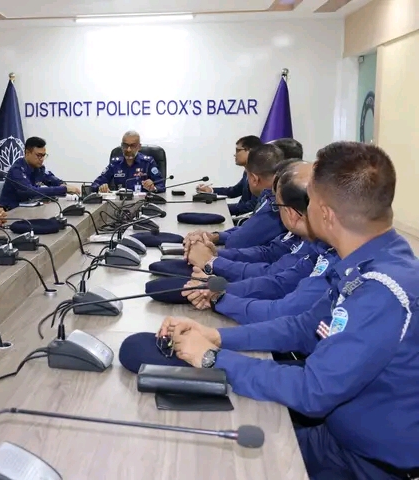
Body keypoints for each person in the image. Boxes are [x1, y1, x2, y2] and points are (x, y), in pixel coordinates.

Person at [121, 142, 419, 480]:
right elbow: (302, 327)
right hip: (335, 438)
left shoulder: (381, 291)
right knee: (208, 450)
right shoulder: (366, 262)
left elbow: (312, 390)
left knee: (212, 465)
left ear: (325, 214)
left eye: (310, 200)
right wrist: (216, 336)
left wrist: (212, 358)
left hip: (364, 466)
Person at [186, 161, 312, 282]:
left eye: (276, 204)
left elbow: (274, 279)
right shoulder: (299, 236)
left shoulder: (315, 247)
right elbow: (268, 253)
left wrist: (212, 262)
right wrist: (214, 254)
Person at [185, 144, 287, 249]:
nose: (235, 154)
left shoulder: (275, 205)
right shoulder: (268, 197)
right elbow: (246, 229)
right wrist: (215, 236)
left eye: (238, 150)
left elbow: (237, 242)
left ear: (254, 179)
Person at [0, 136, 80, 210]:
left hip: (29, 209)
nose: (42, 159)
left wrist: (63, 185)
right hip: (11, 211)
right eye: (39, 155)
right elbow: (31, 192)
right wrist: (64, 189)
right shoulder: (16, 170)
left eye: (43, 155)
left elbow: (52, 180)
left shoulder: (39, 168)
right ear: (27, 153)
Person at [196, 135, 262, 215]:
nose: (235, 155)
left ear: (250, 151)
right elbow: (234, 191)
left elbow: (251, 206)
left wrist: (222, 209)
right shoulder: (247, 171)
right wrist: (211, 190)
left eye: (238, 150)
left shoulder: (260, 174)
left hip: (246, 219)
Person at [91, 130, 166, 193]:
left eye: (132, 146)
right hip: (120, 203)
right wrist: (100, 188)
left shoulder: (148, 162)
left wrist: (153, 188)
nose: (128, 149)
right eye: (125, 145)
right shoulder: (115, 163)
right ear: (121, 146)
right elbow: (95, 184)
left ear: (139, 147)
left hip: (143, 203)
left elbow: (161, 185)